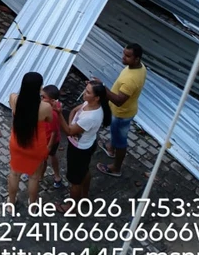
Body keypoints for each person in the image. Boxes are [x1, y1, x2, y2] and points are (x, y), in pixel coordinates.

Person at [54, 81, 111, 211]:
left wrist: (59, 113)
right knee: (84, 170)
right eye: (85, 90)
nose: (84, 93)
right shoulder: (89, 104)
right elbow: (74, 111)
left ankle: (71, 207)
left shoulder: (91, 117)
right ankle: (84, 195)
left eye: (88, 92)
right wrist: (71, 126)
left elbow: (68, 131)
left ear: (97, 98)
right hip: (87, 144)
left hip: (79, 150)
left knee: (75, 181)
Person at [96, 43, 147, 178]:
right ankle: (110, 148)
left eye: (128, 56)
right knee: (115, 133)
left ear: (137, 58)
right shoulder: (140, 67)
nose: (123, 58)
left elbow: (119, 101)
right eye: (123, 54)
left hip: (121, 114)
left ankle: (116, 168)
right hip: (126, 110)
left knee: (121, 141)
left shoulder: (131, 79)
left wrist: (102, 87)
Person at [7, 72, 53, 205]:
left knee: (14, 174)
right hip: (36, 146)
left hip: (18, 142)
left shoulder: (13, 98)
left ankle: (11, 202)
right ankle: (32, 205)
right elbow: (49, 120)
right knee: (34, 177)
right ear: (39, 88)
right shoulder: (45, 107)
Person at [40, 85, 63, 189]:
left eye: (44, 97)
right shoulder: (49, 106)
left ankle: (41, 176)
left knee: (44, 159)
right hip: (44, 137)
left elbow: (54, 132)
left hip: (50, 140)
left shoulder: (52, 113)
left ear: (52, 100)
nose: (41, 99)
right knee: (48, 157)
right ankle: (54, 176)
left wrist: (49, 146)